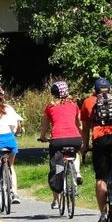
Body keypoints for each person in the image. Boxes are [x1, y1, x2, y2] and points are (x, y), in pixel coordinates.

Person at [80, 77, 112, 222]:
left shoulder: (88, 102)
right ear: (110, 89)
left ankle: (103, 215)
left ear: (94, 90)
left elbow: (85, 127)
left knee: (101, 178)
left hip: (101, 139)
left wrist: (85, 146)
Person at [39, 80, 84, 209]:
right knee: (75, 153)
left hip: (57, 140)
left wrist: (42, 137)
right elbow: (80, 124)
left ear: (53, 93)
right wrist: (81, 135)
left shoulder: (50, 107)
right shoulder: (74, 105)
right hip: (75, 139)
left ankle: (56, 200)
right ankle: (77, 172)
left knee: (56, 167)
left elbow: (45, 127)